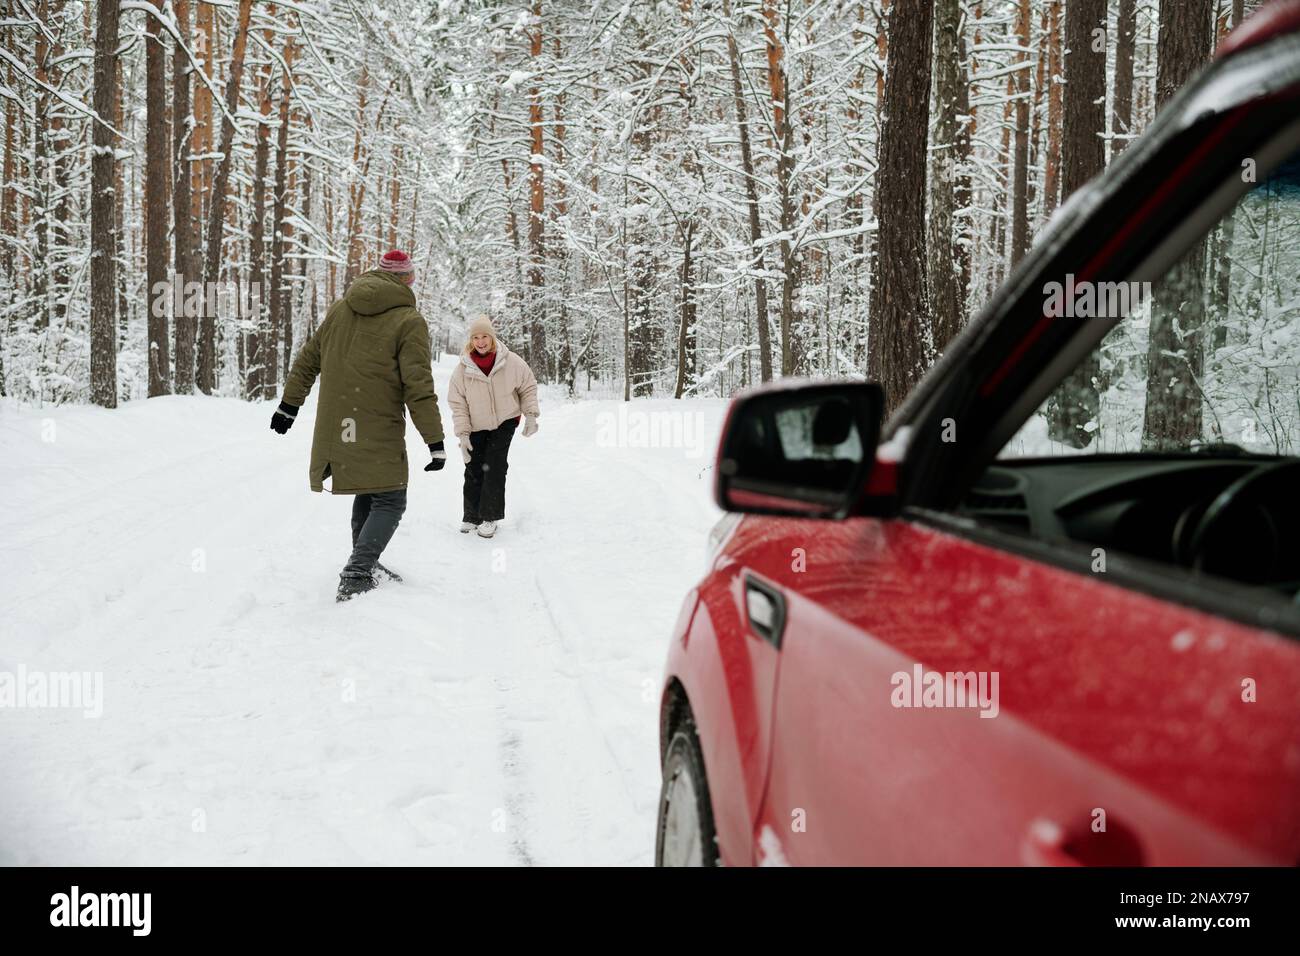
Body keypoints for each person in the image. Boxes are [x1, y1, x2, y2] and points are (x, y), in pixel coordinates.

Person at [270, 249, 447, 601]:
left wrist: (289, 406)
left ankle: (364, 560)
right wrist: (435, 440)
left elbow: (308, 359)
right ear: (407, 281)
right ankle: (357, 570)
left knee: (371, 487)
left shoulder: (342, 308)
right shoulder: (409, 320)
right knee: (391, 496)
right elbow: (418, 385)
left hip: (340, 421)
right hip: (378, 421)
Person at [446, 315, 539, 537]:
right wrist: (463, 434)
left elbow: (528, 386)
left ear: (492, 338)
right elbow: (457, 404)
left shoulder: (511, 362)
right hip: (476, 424)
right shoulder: (462, 369)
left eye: (485, 336)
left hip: (505, 420)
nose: (480, 341)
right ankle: (471, 515)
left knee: (495, 465)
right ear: (471, 340)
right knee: (474, 466)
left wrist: (531, 415)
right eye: (476, 337)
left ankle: (489, 516)